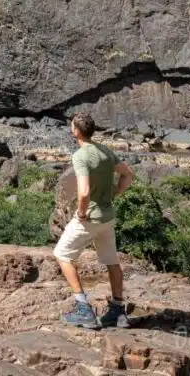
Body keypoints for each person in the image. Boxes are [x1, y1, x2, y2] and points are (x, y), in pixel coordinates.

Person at [54, 112, 134, 329]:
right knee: (111, 261)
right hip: (108, 217)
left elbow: (84, 192)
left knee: (61, 254)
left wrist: (81, 213)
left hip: (90, 218)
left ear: (76, 131)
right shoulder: (105, 151)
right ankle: (118, 312)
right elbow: (128, 175)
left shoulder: (81, 156)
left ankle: (83, 310)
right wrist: (114, 193)